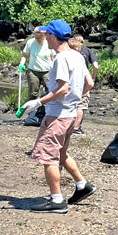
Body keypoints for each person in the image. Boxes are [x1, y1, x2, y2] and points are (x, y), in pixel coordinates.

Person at [18, 20, 95, 213]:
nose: (45, 38)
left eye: (47, 35)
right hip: (70, 115)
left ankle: (57, 200)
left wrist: (39, 102)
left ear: (52, 36)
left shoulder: (61, 59)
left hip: (57, 115)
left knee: (48, 156)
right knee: (61, 153)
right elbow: (89, 83)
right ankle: (82, 185)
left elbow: (62, 88)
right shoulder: (78, 56)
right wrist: (76, 100)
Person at [68, 34, 99, 135]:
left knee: (70, 102)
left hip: (70, 79)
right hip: (83, 79)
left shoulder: (68, 51)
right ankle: (76, 128)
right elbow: (96, 66)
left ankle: (70, 126)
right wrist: (93, 77)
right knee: (81, 104)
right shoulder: (87, 50)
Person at [19, 27, 56, 99]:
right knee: (33, 93)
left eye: (39, 38)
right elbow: (25, 55)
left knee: (49, 90)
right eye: (36, 38)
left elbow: (54, 58)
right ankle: (32, 108)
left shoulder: (49, 43)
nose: (37, 40)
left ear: (44, 35)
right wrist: (21, 64)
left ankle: (45, 108)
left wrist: (55, 70)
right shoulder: (30, 42)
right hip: (33, 71)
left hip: (47, 71)